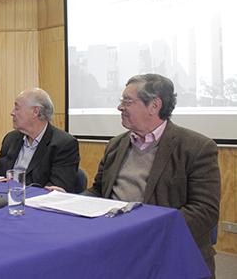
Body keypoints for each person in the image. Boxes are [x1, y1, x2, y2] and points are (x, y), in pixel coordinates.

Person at [84, 73, 220, 276]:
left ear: (154, 106)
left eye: (127, 101)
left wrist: (148, 233)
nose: (120, 107)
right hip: (113, 241)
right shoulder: (115, 145)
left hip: (166, 248)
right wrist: (66, 201)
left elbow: (204, 211)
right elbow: (99, 191)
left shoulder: (197, 147)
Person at [0, 88, 80, 192]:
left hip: (35, 203)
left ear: (35, 112)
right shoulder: (10, 139)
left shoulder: (64, 144)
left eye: (17, 108)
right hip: (3, 199)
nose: (12, 113)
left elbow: (55, 189)